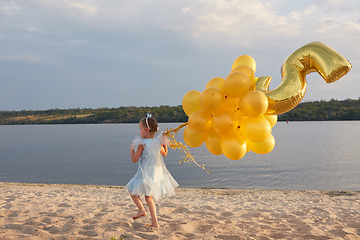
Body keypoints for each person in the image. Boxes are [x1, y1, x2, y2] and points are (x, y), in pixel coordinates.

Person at [125, 116, 179, 227]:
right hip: (155, 174)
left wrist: (131, 150)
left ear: (146, 130)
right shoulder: (157, 142)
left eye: (140, 129)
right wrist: (163, 143)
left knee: (131, 190)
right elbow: (164, 153)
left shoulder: (141, 144)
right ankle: (155, 223)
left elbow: (134, 159)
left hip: (144, 173)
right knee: (149, 198)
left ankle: (141, 210)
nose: (139, 131)